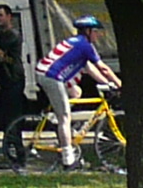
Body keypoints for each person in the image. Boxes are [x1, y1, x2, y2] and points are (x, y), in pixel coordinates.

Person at [39, 15, 120, 167]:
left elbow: (90, 69)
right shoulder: (84, 45)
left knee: (76, 93)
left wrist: (108, 84)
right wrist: (119, 84)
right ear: (88, 31)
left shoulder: (78, 43)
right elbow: (103, 68)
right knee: (64, 117)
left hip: (52, 74)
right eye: (96, 31)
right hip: (51, 76)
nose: (98, 35)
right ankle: (68, 159)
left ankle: (65, 130)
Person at [0, 7, 33, 168]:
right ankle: (10, 155)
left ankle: (18, 157)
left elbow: (1, 55)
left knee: (13, 119)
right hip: (4, 81)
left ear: (9, 16)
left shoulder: (12, 36)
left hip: (14, 80)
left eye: (0, 15)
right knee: (6, 119)